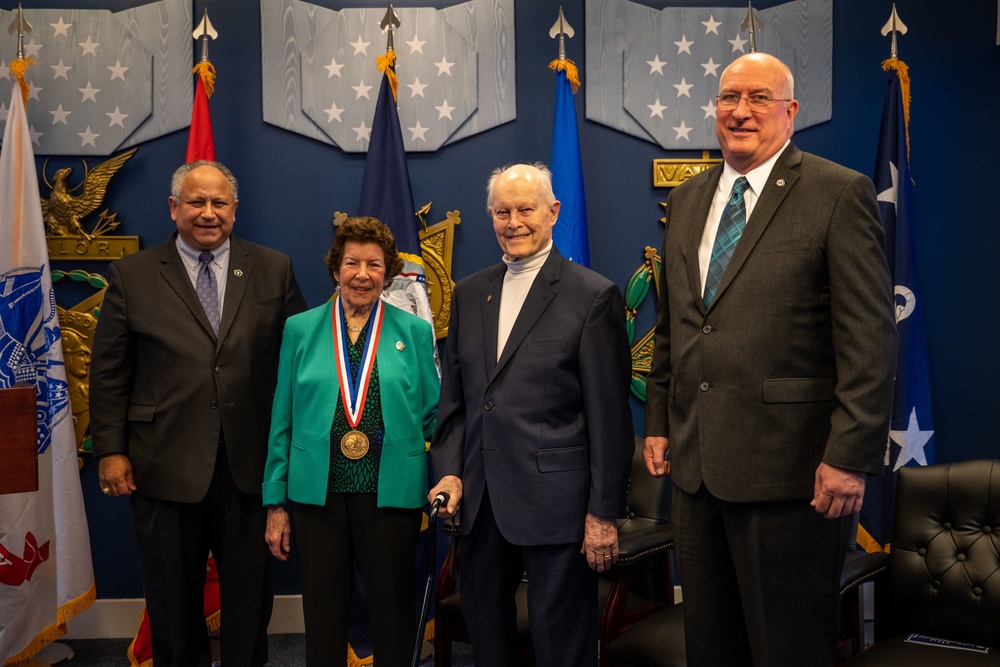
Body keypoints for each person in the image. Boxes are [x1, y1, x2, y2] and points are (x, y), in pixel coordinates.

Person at [643, 52, 897, 666]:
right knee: (711, 645)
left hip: (793, 474)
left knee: (786, 648)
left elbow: (868, 337)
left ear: (791, 112)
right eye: (729, 97)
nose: (740, 111)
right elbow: (677, 325)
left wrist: (847, 457)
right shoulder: (687, 200)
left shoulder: (838, 193)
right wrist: (657, 422)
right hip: (697, 472)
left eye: (758, 98)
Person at [90, 160, 307, 667]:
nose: (207, 213)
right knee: (171, 601)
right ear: (174, 208)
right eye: (196, 202)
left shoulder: (273, 268)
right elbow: (109, 372)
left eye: (218, 203)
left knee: (250, 600)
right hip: (161, 465)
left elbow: (299, 361)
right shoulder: (132, 274)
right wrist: (112, 450)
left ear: (234, 209)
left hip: (249, 466)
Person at [428, 163, 633, 667]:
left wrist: (602, 512)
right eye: (502, 211)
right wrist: (449, 471)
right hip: (478, 501)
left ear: (553, 213)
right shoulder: (470, 292)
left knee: (561, 644)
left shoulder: (593, 295)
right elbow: (455, 403)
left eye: (525, 209)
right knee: (489, 642)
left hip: (557, 505)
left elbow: (609, 418)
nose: (513, 221)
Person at [262, 216, 440, 667]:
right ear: (335, 268)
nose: (362, 274)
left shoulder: (414, 332)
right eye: (352, 263)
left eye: (374, 265)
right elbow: (282, 417)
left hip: (391, 492)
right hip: (316, 493)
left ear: (389, 272)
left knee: (392, 610)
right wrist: (275, 503)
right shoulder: (300, 329)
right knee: (323, 612)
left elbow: (434, 417)